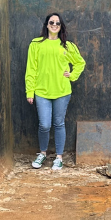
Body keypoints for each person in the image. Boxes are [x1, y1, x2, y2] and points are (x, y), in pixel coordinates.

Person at [25, 12, 85, 170]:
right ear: (46, 24)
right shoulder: (36, 44)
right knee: (44, 125)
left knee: (58, 123)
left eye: (57, 23)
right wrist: (30, 92)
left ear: (61, 27)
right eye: (51, 22)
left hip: (62, 91)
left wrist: (71, 76)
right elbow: (31, 69)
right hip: (41, 91)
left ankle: (59, 157)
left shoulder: (67, 45)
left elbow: (80, 63)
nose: (54, 25)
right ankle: (42, 154)